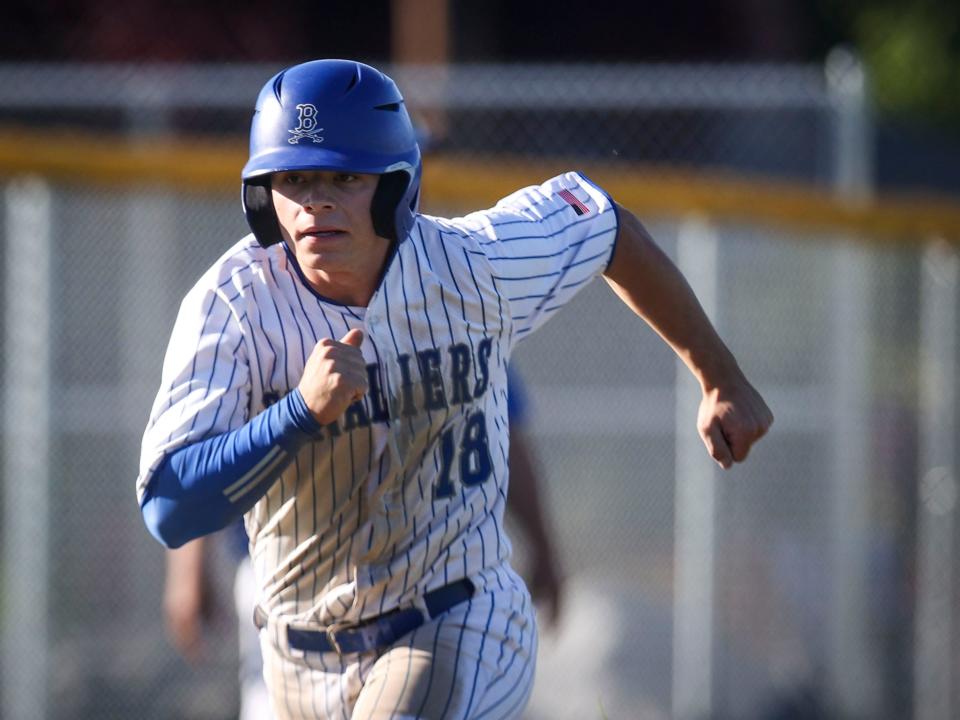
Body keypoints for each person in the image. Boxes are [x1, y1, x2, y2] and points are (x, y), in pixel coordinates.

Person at [137, 58, 772, 720]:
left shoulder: (473, 266)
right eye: (294, 178)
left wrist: (718, 373)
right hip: (292, 658)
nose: (316, 200)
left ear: (395, 188)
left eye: (345, 177)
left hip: (451, 619)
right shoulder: (232, 308)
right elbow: (169, 508)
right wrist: (297, 414)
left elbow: (601, 222)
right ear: (263, 195)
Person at [161, 369, 562, 720]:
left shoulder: (449, 303)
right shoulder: (253, 309)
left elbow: (502, 431)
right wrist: (189, 564)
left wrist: (544, 547)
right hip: (284, 586)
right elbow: (198, 451)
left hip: (416, 578)